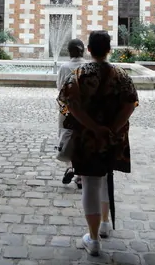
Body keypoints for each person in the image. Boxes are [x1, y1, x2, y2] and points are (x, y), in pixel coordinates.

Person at [58, 30, 138, 257]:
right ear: (109, 49)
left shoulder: (78, 74)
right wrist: (112, 129)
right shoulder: (122, 75)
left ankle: (93, 239)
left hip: (87, 139)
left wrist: (94, 127)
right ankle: (104, 224)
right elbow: (131, 104)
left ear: (90, 50)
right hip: (114, 139)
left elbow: (69, 106)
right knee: (105, 178)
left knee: (91, 184)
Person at [56, 38, 86, 188]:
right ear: (84, 50)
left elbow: (60, 88)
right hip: (85, 111)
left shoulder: (64, 67)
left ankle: (69, 167)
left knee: (67, 137)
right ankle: (80, 176)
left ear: (69, 52)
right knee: (82, 140)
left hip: (67, 110)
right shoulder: (88, 66)